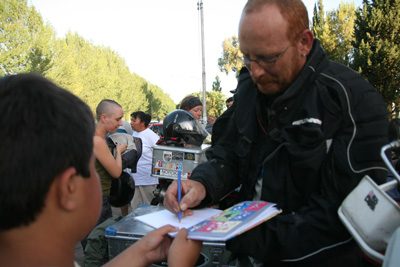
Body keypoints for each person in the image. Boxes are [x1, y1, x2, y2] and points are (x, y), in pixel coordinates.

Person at [163, 0, 389, 266]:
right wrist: (202, 185)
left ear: (304, 42)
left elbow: (345, 214)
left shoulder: (351, 100)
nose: (255, 71)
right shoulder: (248, 89)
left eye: (268, 58)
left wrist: (240, 233)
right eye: (247, 57)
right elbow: (230, 153)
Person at [0, 73, 202, 267]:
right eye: (92, 170)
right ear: (69, 189)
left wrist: (142, 252)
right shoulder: (98, 142)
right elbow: (115, 172)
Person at [94, 99, 128, 225]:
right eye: (117, 119)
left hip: (97, 199)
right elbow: (116, 172)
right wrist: (118, 152)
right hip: (97, 201)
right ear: (104, 118)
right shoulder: (97, 141)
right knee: (97, 242)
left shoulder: (97, 138)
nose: (120, 124)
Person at [129, 111, 160, 210]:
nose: (131, 123)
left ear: (142, 123)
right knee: (135, 209)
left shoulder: (151, 136)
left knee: (149, 208)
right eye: (131, 120)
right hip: (134, 180)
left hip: (147, 180)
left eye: (134, 120)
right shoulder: (133, 134)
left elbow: (159, 156)